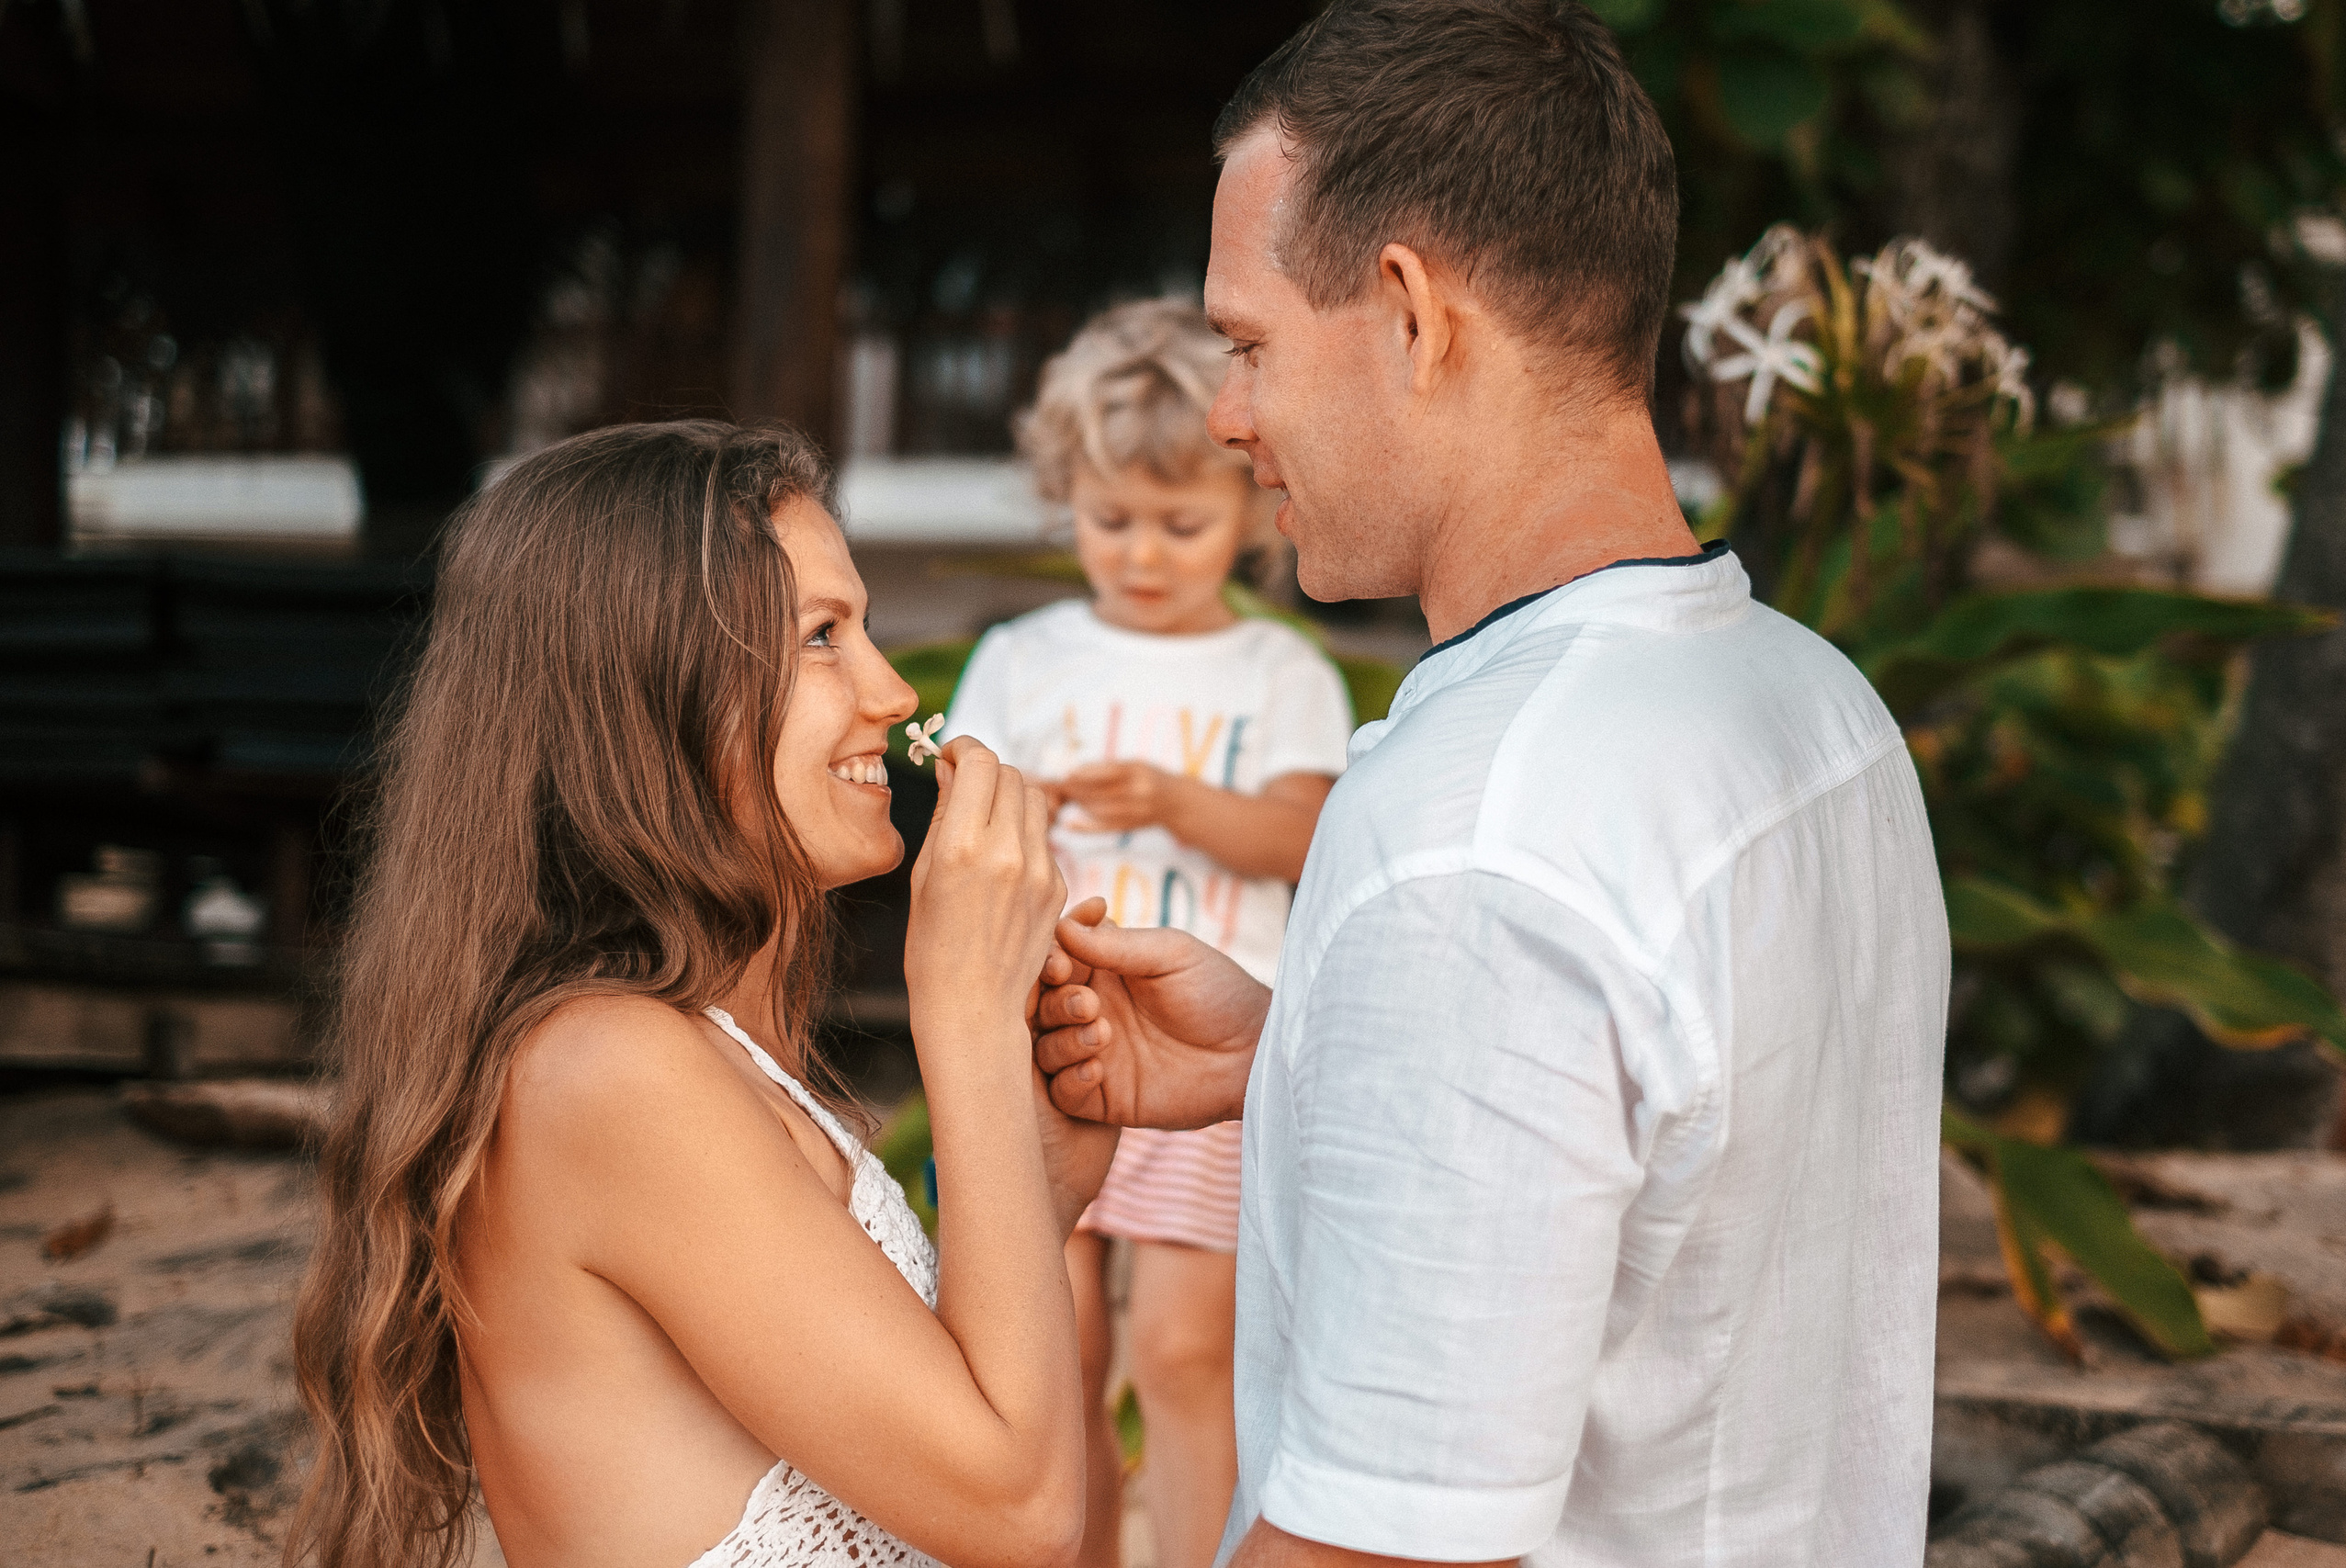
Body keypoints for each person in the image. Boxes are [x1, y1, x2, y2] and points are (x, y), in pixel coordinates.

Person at [1034, 5, 1950, 1566]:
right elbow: (1684, 1168)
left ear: (1410, 312)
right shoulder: (1816, 708)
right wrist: (1308, 1047)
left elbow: (1379, 1547)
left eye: (1247, 344)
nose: (1228, 415)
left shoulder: (1478, 844)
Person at [288, 421, 1116, 1568]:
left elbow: (944, 1444)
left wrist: (1035, 1173)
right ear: (646, 701)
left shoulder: (700, 1050)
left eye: (861, 628)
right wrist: (965, 1016)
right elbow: (1019, 1515)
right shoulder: (606, 1072)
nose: (888, 690)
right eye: (823, 638)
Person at [945, 299, 1355, 1568]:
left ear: (1247, 508)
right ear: (1066, 494)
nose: (1142, 553)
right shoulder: (1022, 657)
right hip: (1048, 1043)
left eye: (1181, 524)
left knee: (1186, 1348)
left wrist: (1179, 802)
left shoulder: (1280, 672)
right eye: (1110, 519)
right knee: (1049, 1344)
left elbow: (1309, 830)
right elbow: (961, 834)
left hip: (1206, 1053)